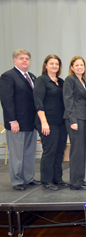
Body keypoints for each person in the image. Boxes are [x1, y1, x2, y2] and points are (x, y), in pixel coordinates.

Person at [0, 49, 41, 191]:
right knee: (17, 154)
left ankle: (28, 178)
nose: (25, 61)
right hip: (17, 123)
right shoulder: (8, 76)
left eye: (27, 59)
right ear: (14, 60)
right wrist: (12, 120)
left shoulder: (32, 77)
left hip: (31, 122)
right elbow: (7, 100)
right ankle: (17, 181)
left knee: (29, 153)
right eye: (22, 58)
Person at [34, 54, 69, 191]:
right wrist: (44, 122)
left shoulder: (61, 82)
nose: (54, 66)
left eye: (57, 64)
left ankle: (57, 179)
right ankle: (47, 181)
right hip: (47, 122)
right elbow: (38, 102)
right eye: (51, 63)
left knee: (60, 151)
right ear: (45, 65)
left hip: (61, 122)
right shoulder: (41, 80)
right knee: (49, 151)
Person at [63, 56, 86, 190]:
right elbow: (68, 101)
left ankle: (80, 179)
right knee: (76, 150)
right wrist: (73, 120)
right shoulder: (70, 80)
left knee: (81, 150)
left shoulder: (82, 81)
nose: (79, 67)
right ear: (72, 67)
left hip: (82, 118)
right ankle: (75, 182)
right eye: (76, 65)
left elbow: (85, 102)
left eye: (81, 65)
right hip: (74, 119)